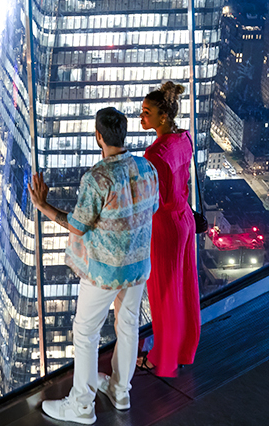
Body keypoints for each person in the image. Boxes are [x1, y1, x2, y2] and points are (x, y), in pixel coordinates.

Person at [29, 107, 160, 424]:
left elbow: (77, 226)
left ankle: (82, 405)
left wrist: (42, 204)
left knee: (85, 333)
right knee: (128, 326)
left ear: (98, 136)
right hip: (138, 266)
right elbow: (151, 209)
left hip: (104, 270)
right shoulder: (147, 169)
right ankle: (120, 391)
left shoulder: (97, 178)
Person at [138, 80, 201, 376]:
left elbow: (157, 200)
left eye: (147, 112)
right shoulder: (183, 139)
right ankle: (185, 348)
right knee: (185, 287)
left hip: (165, 226)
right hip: (185, 218)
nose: (142, 118)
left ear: (163, 116)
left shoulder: (155, 155)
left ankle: (161, 358)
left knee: (164, 294)